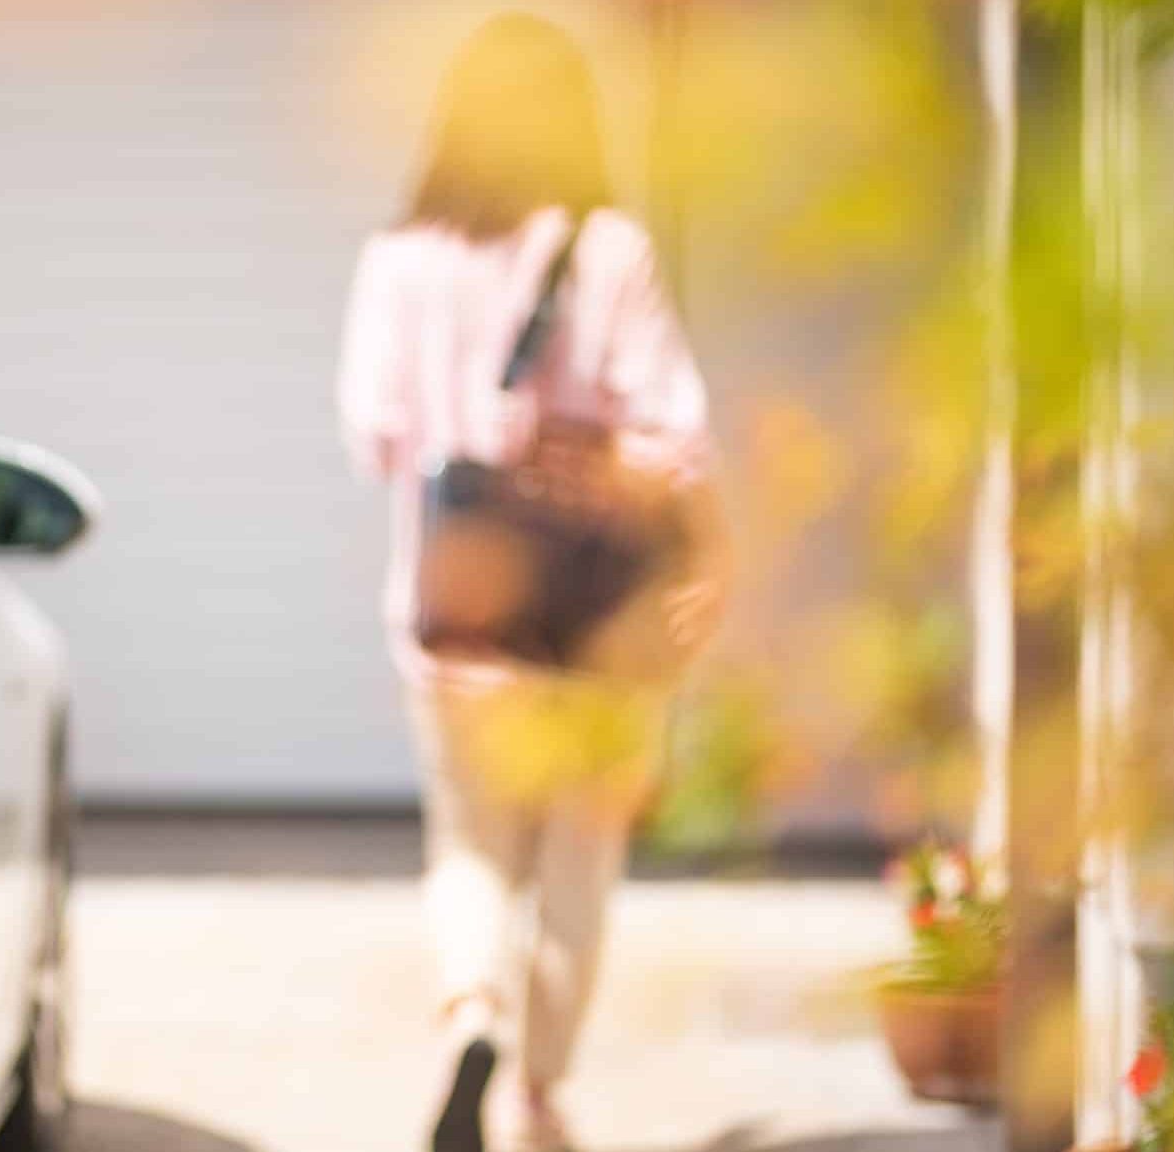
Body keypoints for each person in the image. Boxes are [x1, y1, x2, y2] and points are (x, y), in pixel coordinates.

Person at [334, 14, 726, 1152]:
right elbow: (675, 439)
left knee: (466, 843)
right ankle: (540, 1096)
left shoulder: (397, 260)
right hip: (597, 621)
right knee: (574, 856)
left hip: (455, 612)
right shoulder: (610, 250)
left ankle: (471, 1017)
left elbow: (372, 434)